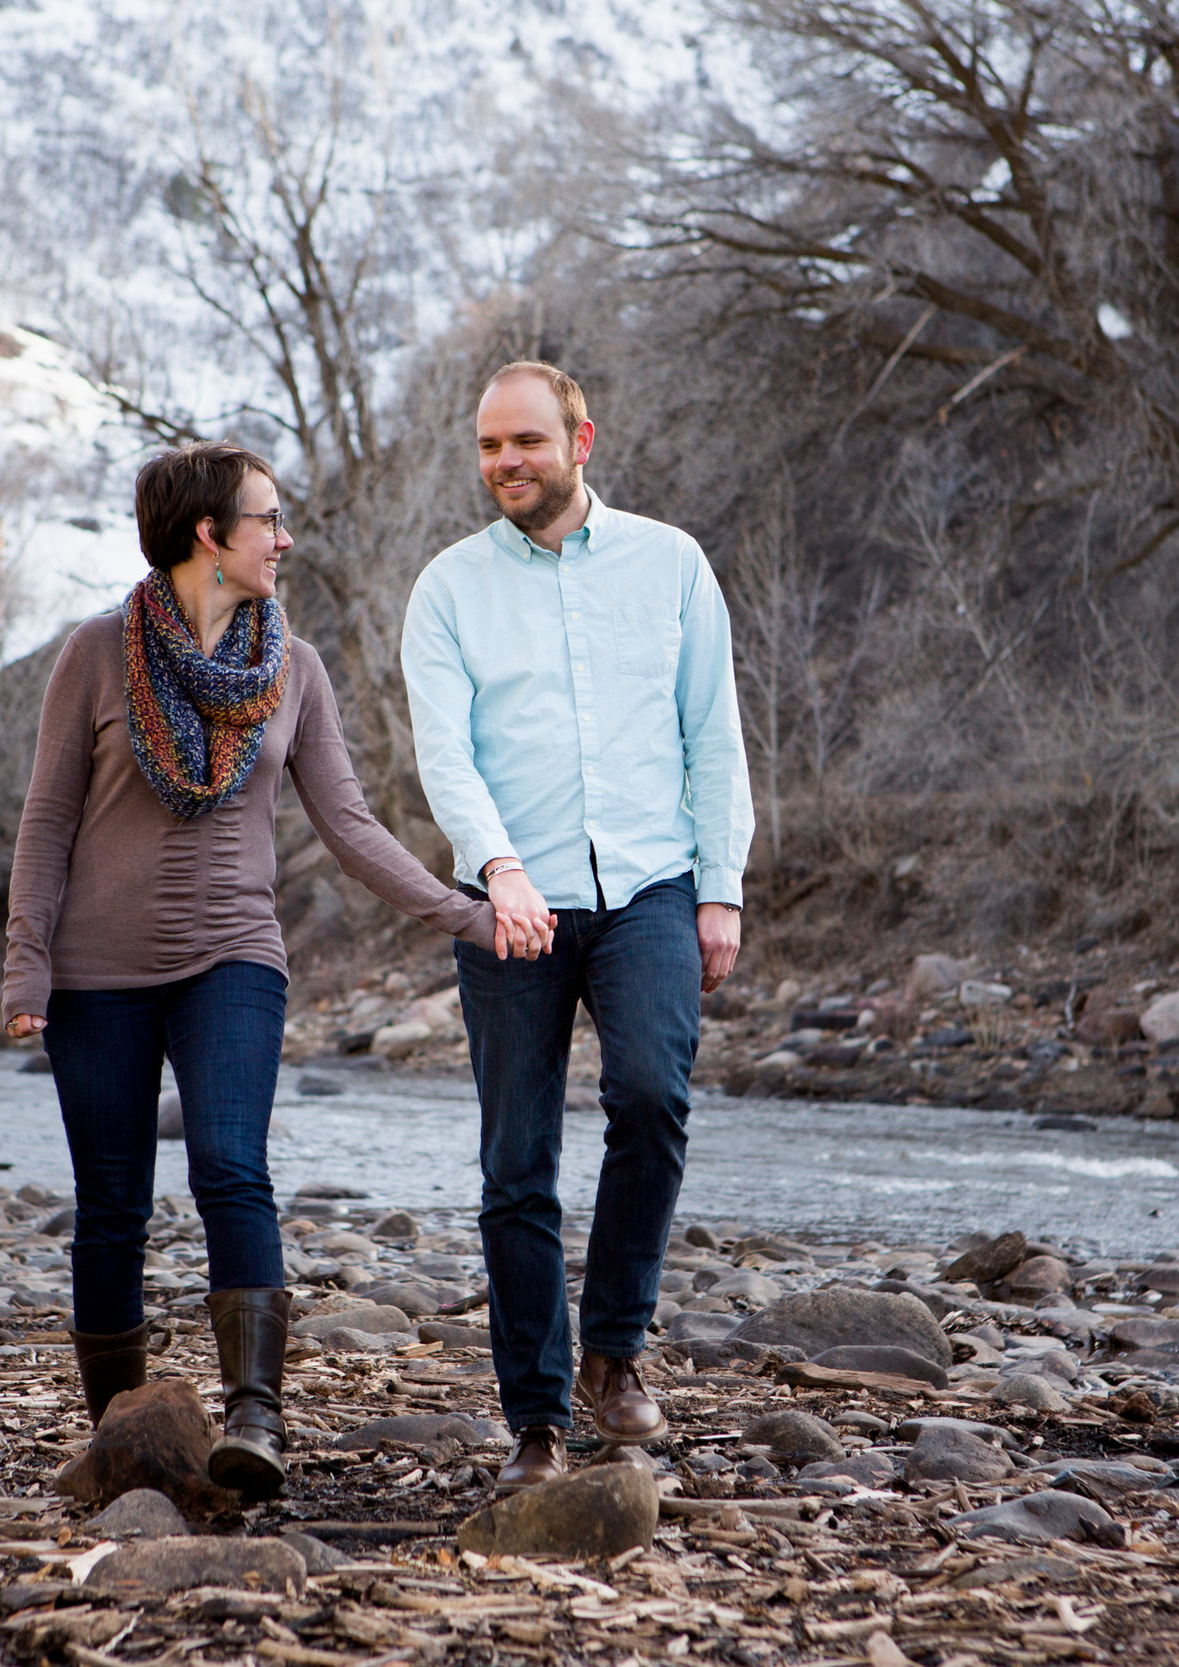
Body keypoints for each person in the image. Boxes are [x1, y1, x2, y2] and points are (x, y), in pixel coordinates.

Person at [2, 440, 551, 1503]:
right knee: (110, 1198)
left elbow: (345, 822)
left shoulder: (292, 669)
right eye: (267, 518)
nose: (284, 536)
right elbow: (47, 818)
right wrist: (27, 963)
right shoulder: (92, 655)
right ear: (210, 534)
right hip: (95, 973)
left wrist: (466, 912)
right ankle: (120, 1435)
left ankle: (255, 1414)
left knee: (228, 1163)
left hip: (234, 957)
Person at [401, 361, 753, 1490]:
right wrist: (496, 865)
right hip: (511, 897)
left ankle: (613, 1352)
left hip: (652, 881)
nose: (506, 463)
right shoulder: (447, 588)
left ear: (581, 438)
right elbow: (444, 754)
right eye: (490, 446)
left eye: (527, 442)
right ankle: (536, 1421)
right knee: (517, 1162)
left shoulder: (672, 565)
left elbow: (714, 733)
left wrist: (721, 884)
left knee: (652, 1096)